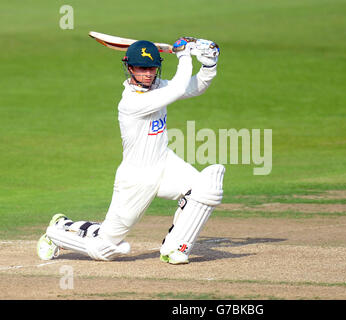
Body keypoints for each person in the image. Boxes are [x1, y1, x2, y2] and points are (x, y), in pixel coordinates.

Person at [36, 37, 225, 264]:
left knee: (206, 188)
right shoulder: (131, 102)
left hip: (164, 163)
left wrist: (209, 66)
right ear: (130, 68)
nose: (148, 74)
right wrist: (184, 55)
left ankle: (175, 248)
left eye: (152, 68)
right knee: (105, 246)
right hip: (136, 177)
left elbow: (193, 87)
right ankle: (58, 230)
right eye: (142, 68)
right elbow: (176, 89)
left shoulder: (158, 87)